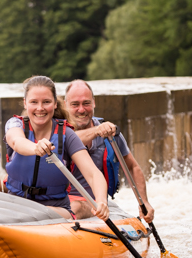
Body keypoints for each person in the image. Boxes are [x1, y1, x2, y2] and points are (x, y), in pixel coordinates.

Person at [4, 75, 109, 221]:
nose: (40, 108)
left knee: (43, 213)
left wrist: (102, 200)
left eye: (46, 102)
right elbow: (16, 142)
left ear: (55, 104)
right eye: (34, 102)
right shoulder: (15, 124)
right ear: (25, 103)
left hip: (56, 211)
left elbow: (93, 174)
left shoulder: (67, 134)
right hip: (18, 203)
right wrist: (36, 148)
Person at [64, 79, 155, 222]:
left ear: (94, 103)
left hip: (92, 203)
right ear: (65, 105)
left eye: (86, 103)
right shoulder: (58, 133)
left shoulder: (110, 134)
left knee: (75, 207)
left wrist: (144, 202)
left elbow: (132, 167)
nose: (81, 109)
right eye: (75, 104)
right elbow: (70, 139)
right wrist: (96, 131)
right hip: (62, 201)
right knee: (71, 206)